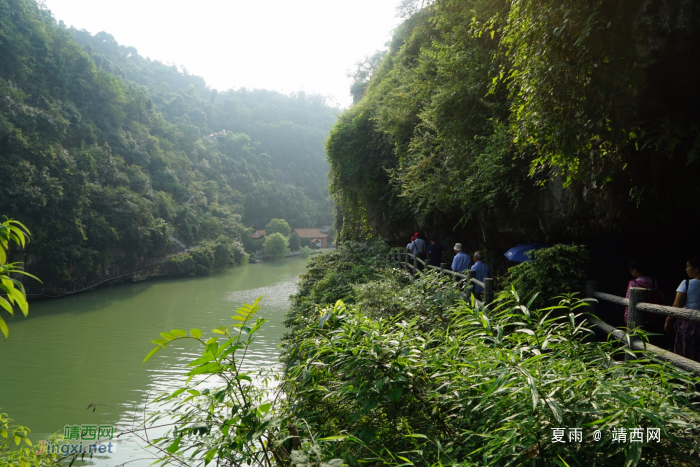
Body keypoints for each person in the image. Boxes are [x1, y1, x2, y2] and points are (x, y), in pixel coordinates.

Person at [665, 256, 700, 362]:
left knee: (686, 354)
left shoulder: (686, 283)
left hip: (689, 325)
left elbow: (677, 305)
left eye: (688, 266)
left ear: (697, 269)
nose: (686, 269)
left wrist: (668, 320)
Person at [625, 260, 667, 347]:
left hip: (637, 317)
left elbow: (627, 301)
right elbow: (662, 296)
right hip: (653, 315)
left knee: (635, 339)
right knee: (651, 339)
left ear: (635, 270)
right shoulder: (653, 281)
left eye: (631, 270)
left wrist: (626, 317)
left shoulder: (633, 283)